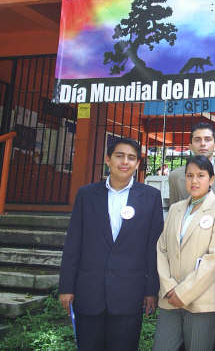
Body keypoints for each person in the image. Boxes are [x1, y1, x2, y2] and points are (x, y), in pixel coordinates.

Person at [58, 138, 164, 351]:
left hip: (129, 294)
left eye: (131, 158)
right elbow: (73, 243)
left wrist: (151, 290)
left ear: (137, 164)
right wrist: (66, 287)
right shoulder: (87, 195)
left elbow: (155, 248)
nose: (125, 162)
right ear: (108, 159)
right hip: (89, 292)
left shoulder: (150, 197)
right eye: (119, 156)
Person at [153, 155, 215, 351]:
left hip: (202, 301)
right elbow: (162, 249)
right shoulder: (175, 209)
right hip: (170, 298)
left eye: (201, 175)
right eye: (189, 175)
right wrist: (169, 286)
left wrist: (184, 292)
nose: (194, 181)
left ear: (211, 179)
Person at [168, 122, 215, 205]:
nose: (203, 144)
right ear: (190, 146)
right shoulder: (175, 176)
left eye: (208, 139)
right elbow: (174, 212)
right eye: (197, 140)